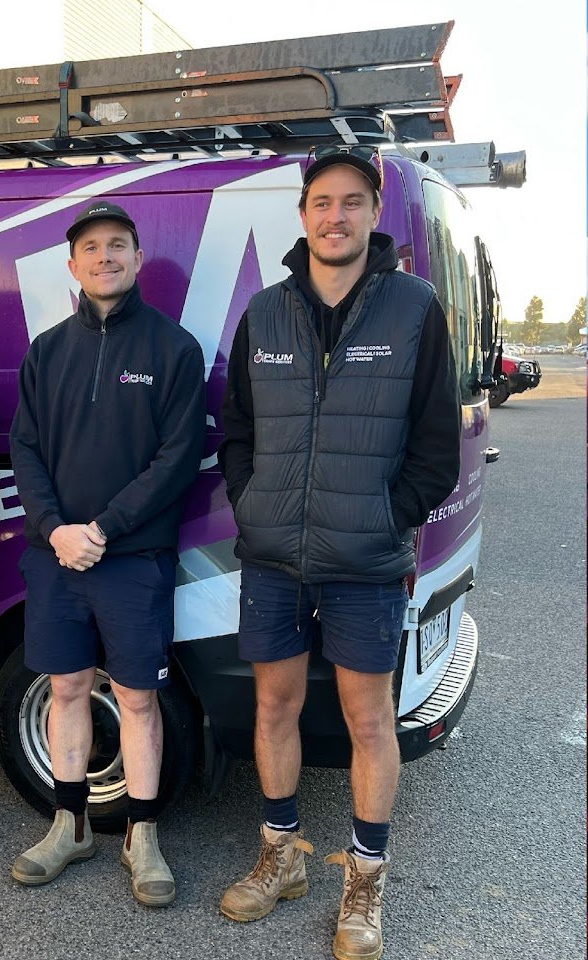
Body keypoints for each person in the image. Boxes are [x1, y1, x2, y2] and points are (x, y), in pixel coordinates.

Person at [218, 147, 460, 959]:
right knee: (274, 708)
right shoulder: (266, 312)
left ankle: (364, 881)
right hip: (274, 559)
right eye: (322, 201)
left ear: (374, 214)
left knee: (369, 718)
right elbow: (237, 431)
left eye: (353, 201)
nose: (336, 216)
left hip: (366, 563)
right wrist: (254, 501)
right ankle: (282, 856)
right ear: (303, 215)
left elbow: (436, 446)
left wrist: (384, 518)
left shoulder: (415, 308)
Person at [8, 201, 206, 907]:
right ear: (73, 265)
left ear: (138, 258)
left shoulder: (173, 349)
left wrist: (104, 529)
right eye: (90, 248)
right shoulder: (47, 351)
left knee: (138, 697)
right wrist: (56, 528)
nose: (105, 257)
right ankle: (70, 826)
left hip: (133, 560)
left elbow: (177, 458)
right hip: (56, 557)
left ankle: (142, 836)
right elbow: (25, 448)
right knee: (66, 689)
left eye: (117, 244)